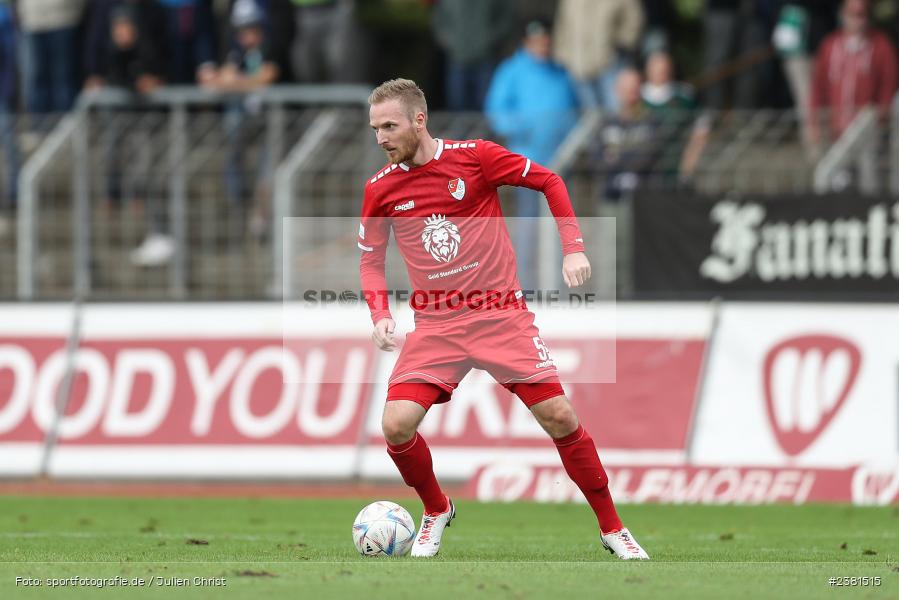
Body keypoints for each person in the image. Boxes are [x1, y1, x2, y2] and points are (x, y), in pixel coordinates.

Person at [359, 78, 649, 560]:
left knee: (559, 416)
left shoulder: (475, 157)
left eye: (390, 126)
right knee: (396, 426)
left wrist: (573, 248)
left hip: (500, 318)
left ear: (419, 120)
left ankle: (612, 528)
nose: (382, 137)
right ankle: (436, 508)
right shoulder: (380, 188)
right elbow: (370, 260)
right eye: (375, 129)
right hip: (436, 327)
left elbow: (549, 181)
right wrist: (380, 314)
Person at [485, 19, 578, 291]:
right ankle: (525, 286)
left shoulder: (560, 71)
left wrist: (567, 139)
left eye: (546, 40)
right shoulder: (511, 71)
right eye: (537, 41)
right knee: (529, 224)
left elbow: (573, 110)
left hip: (558, 161)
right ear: (526, 42)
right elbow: (497, 112)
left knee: (562, 225)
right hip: (525, 162)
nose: (542, 45)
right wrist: (524, 127)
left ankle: (561, 287)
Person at [552, 0, 644, 112]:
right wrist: (562, 54)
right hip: (578, 65)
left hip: (609, 63)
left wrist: (623, 45)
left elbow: (634, 18)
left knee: (615, 108)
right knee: (590, 113)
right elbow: (562, 26)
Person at [431, 0, 516, 111]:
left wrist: (489, 40)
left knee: (485, 106)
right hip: (457, 59)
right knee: (456, 106)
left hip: (485, 59)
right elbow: (438, 22)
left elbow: (506, 19)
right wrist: (452, 43)